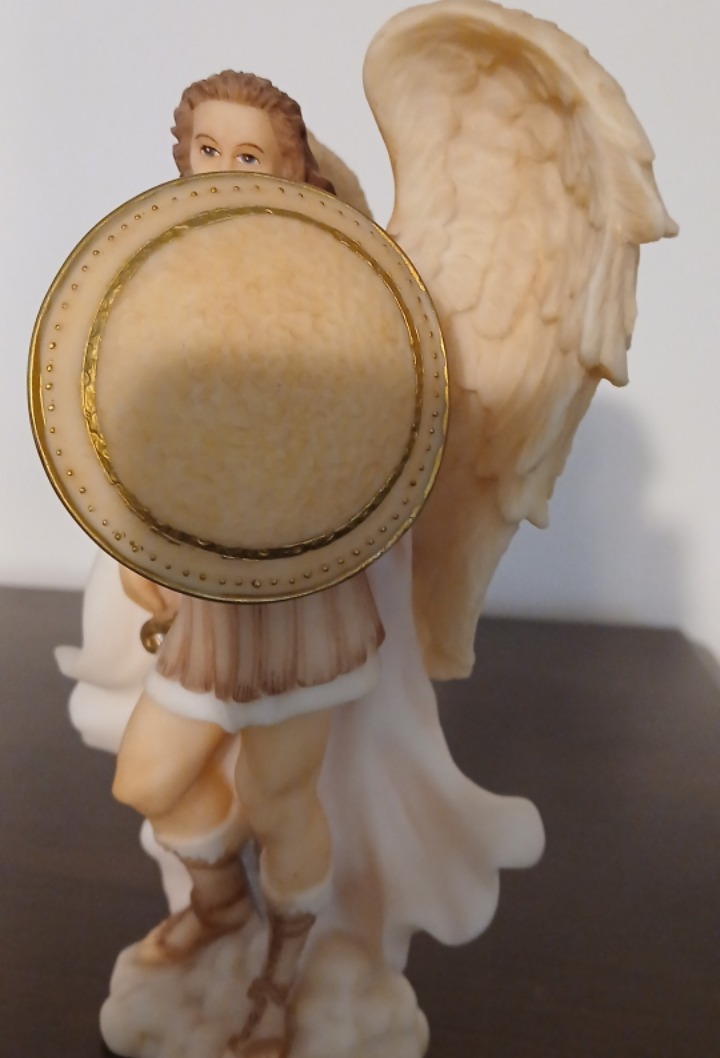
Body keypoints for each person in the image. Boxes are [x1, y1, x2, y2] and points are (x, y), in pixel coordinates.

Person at [112, 71, 383, 1057]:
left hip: (303, 599)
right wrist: (133, 550)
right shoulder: (157, 279)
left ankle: (279, 975)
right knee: (147, 778)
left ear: (291, 170)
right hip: (206, 601)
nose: (223, 168)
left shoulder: (337, 289)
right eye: (208, 149)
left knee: (277, 798)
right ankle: (221, 903)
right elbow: (132, 437)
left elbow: (368, 443)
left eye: (249, 154)